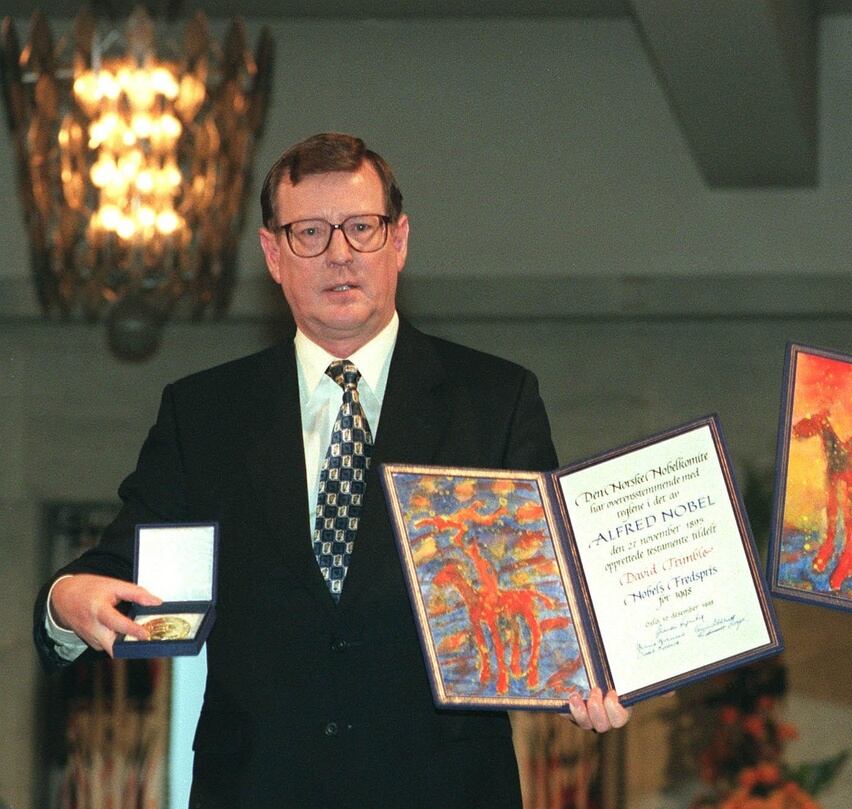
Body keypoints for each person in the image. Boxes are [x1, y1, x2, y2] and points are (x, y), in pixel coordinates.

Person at [33, 132, 628, 807]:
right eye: (310, 232)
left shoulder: (495, 400)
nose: (339, 253)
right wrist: (66, 600)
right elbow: (119, 569)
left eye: (361, 229)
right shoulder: (203, 414)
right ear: (273, 254)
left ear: (399, 240)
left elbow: (555, 595)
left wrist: (591, 674)